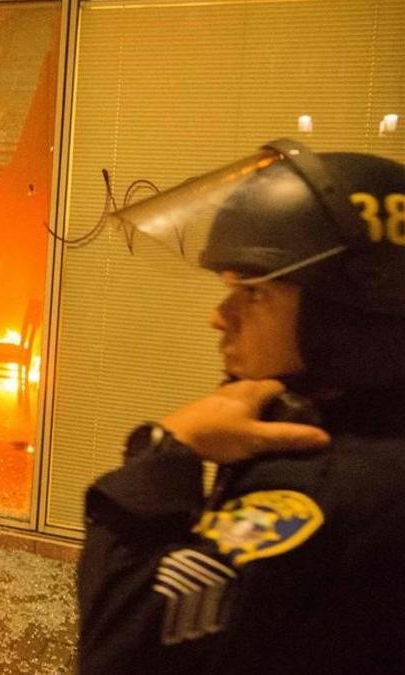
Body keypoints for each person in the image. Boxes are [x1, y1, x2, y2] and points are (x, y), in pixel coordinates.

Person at [77, 140, 405, 674]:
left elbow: (122, 649)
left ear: (343, 316)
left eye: (253, 292)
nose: (218, 315)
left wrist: (165, 451)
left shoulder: (320, 486)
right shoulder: (359, 429)